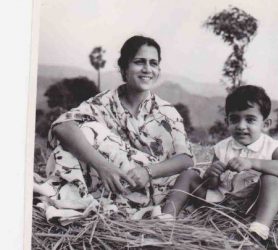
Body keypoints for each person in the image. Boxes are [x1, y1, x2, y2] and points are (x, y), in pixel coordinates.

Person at [34, 35, 194, 225]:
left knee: (89, 129)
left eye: (153, 63)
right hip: (110, 184)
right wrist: (104, 167)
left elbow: (185, 159)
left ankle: (62, 194)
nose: (147, 69)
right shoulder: (104, 102)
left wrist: (147, 172)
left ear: (158, 70)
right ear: (124, 68)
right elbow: (62, 126)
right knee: (77, 134)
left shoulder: (167, 112)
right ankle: (67, 196)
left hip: (149, 188)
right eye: (139, 62)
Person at [162, 85, 278, 241]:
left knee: (271, 179)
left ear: (265, 124)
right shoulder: (222, 148)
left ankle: (259, 229)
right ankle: (167, 218)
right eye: (234, 119)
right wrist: (212, 174)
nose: (241, 126)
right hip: (221, 202)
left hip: (255, 204)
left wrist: (252, 163)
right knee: (188, 175)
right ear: (227, 121)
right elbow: (211, 185)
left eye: (250, 120)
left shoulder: (272, 147)